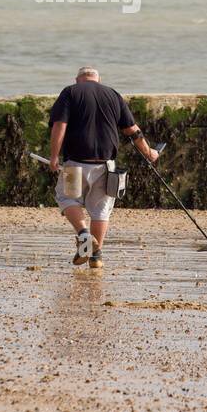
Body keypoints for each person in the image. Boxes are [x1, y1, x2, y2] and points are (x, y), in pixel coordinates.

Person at [48, 66, 159, 268]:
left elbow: (60, 125)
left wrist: (54, 156)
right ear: (98, 80)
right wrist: (149, 152)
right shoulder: (113, 95)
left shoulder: (70, 92)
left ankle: (84, 235)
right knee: (101, 210)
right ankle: (95, 257)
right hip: (106, 165)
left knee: (67, 198)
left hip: (75, 163)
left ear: (77, 79)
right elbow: (132, 130)